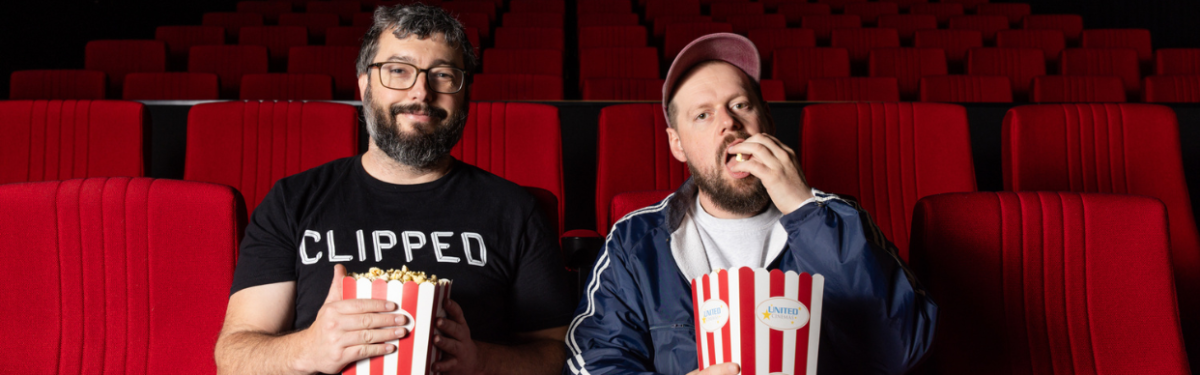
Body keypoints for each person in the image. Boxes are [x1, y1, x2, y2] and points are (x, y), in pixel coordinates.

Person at [213, 4, 574, 375]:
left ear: (464, 93)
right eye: (398, 71)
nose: (421, 92)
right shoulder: (292, 201)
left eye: (443, 75)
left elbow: (559, 354)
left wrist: (480, 361)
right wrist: (309, 348)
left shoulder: (514, 209)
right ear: (364, 83)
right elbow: (234, 355)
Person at [563, 33, 938, 375]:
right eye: (703, 115)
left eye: (741, 104)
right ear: (677, 144)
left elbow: (902, 349)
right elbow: (596, 362)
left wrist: (803, 209)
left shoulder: (840, 218)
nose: (729, 123)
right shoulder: (633, 241)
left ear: (767, 121)